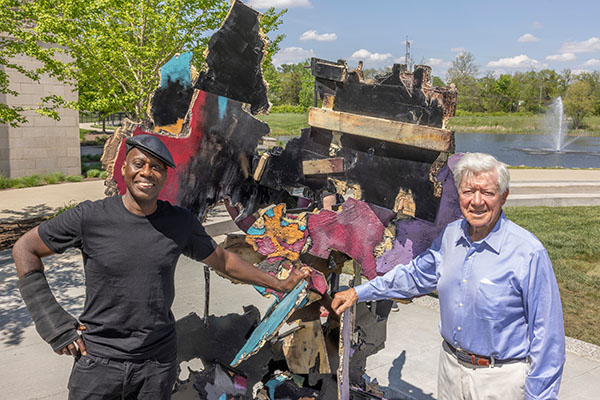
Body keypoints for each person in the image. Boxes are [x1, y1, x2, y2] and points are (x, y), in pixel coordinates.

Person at [13, 134, 309, 399]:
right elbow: (25, 249)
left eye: (156, 167)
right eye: (139, 164)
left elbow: (225, 261)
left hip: (156, 366)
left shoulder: (178, 222)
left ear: (165, 175)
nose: (146, 172)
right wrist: (54, 325)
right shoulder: (89, 218)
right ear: (124, 169)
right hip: (99, 363)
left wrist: (279, 284)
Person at [332, 152, 565, 400]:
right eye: (468, 191)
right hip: (451, 371)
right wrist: (359, 292)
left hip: (499, 380)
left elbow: (548, 339)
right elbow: (413, 277)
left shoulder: (528, 253)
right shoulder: (451, 236)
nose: (476, 201)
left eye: (487, 192)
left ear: (503, 196)